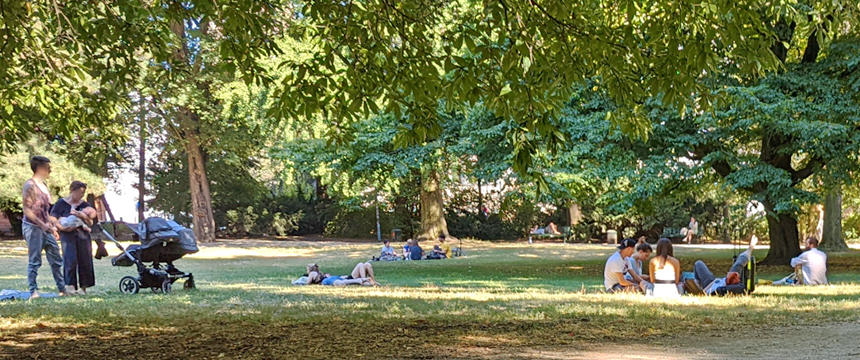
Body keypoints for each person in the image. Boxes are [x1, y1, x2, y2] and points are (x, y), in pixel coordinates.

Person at [21, 156, 67, 299]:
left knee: (56, 258)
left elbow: (45, 211)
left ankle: (62, 289)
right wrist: (42, 225)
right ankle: (33, 291)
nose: (50, 170)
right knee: (35, 260)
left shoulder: (44, 186)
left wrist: (52, 227)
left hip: (46, 228)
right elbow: (27, 210)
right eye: (48, 168)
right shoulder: (30, 185)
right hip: (33, 228)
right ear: (39, 168)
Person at [51, 181, 98, 295]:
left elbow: (91, 222)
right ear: (72, 190)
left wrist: (83, 216)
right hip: (67, 235)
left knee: (85, 260)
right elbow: (52, 217)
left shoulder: (85, 205)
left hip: (83, 235)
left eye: (83, 193)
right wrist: (60, 227)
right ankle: (70, 286)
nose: (82, 195)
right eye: (80, 192)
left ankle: (84, 287)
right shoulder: (61, 203)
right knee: (70, 260)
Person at [689, 235, 757, 295]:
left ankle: (698, 288)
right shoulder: (733, 281)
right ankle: (751, 247)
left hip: (712, 287)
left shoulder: (735, 287)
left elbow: (741, 289)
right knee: (698, 263)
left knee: (698, 264)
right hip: (715, 283)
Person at [306, 262, 378, 286]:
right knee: (363, 264)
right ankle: (370, 281)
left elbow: (307, 283)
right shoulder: (321, 273)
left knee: (364, 264)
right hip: (342, 277)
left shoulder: (312, 273)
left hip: (344, 278)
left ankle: (365, 280)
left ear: (310, 269)